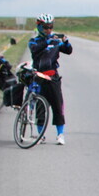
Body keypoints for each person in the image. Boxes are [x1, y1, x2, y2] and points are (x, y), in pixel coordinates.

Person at [28, 13, 73, 145]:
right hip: (39, 77)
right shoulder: (34, 41)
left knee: (58, 105)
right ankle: (41, 135)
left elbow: (68, 51)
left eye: (50, 27)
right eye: (45, 27)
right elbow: (34, 50)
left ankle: (60, 134)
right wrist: (46, 42)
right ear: (39, 26)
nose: (48, 30)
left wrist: (66, 42)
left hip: (53, 76)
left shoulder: (55, 41)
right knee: (40, 107)